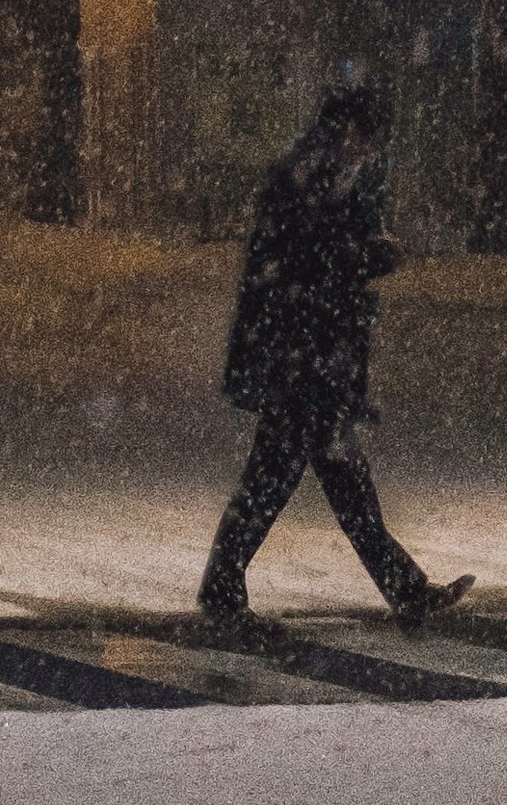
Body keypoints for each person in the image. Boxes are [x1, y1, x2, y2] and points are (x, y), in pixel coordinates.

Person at [197, 66, 469, 632]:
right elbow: (315, 262)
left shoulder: (318, 174)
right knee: (300, 478)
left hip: (302, 353)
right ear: (349, 132)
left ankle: (402, 589)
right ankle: (225, 586)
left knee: (315, 479)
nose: (369, 151)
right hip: (304, 355)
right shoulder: (316, 178)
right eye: (367, 138)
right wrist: (373, 256)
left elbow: (301, 261)